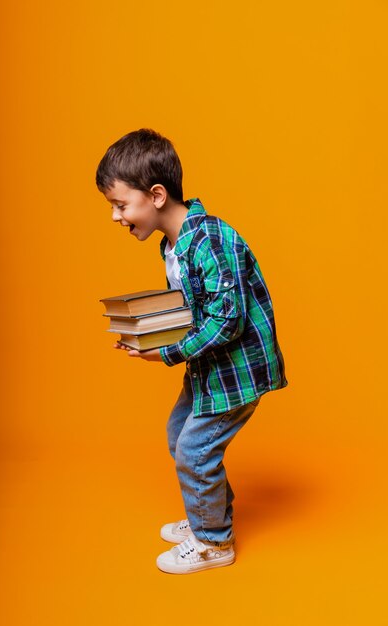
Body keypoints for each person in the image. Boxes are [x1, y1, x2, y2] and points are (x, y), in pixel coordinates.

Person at [96, 128, 288, 574]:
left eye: (120, 205)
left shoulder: (210, 240)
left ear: (156, 195)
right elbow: (191, 310)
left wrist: (169, 353)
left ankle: (214, 543)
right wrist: (147, 333)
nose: (115, 216)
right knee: (177, 434)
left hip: (237, 374)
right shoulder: (173, 246)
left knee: (194, 452)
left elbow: (228, 319)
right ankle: (209, 515)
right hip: (209, 369)